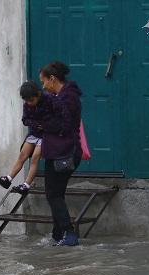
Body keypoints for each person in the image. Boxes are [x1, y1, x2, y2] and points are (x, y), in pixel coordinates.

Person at [39, 61, 83, 246]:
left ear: (52, 79)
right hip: (59, 151)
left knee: (53, 194)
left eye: (44, 81)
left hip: (64, 152)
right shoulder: (62, 96)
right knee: (56, 193)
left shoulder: (67, 98)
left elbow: (63, 124)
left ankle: (68, 233)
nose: (43, 86)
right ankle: (58, 234)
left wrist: (44, 124)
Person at [0, 80, 59, 194]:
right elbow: (25, 120)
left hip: (46, 135)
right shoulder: (27, 105)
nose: (29, 103)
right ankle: (8, 179)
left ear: (38, 94)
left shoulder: (49, 100)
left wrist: (46, 125)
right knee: (22, 155)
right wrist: (33, 124)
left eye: (31, 100)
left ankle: (26, 185)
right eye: (26, 101)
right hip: (34, 133)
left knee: (34, 158)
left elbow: (56, 116)